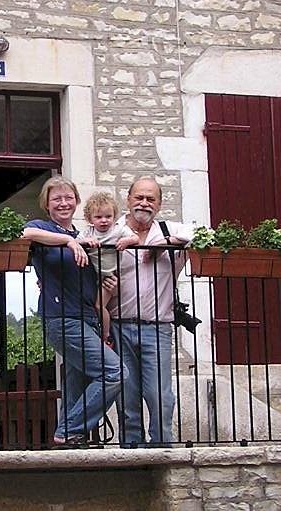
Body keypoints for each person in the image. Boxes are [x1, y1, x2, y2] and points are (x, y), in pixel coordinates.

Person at [22, 176, 125, 446]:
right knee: (114, 372)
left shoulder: (85, 235)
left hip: (89, 318)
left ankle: (70, 438)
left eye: (69, 197)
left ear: (77, 201)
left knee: (76, 385)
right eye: (57, 198)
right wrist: (67, 243)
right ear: (47, 203)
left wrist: (108, 287)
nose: (64, 203)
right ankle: (69, 429)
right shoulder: (42, 228)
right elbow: (27, 235)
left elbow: (95, 276)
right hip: (62, 318)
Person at [108, 176, 192, 446]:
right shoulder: (113, 230)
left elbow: (204, 237)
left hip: (157, 328)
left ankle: (161, 448)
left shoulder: (168, 230)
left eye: (151, 199)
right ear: (128, 199)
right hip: (119, 326)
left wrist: (164, 244)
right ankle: (132, 451)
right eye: (139, 197)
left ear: (159, 204)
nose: (144, 203)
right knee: (127, 396)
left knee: (159, 395)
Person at [78, 191, 137, 343]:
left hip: (109, 276)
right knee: (89, 305)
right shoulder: (88, 232)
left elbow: (135, 238)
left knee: (99, 305)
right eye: (98, 217)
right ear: (89, 219)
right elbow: (74, 242)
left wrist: (126, 242)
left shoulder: (118, 230)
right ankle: (95, 330)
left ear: (114, 217)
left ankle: (105, 335)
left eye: (108, 216)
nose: (104, 221)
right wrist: (86, 241)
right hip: (91, 275)